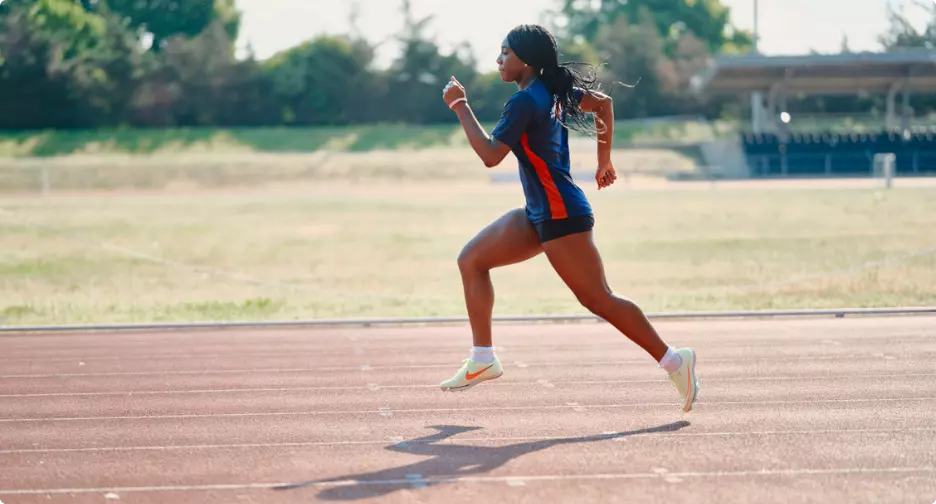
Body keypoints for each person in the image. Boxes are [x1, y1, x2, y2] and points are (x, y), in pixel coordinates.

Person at [437, 24, 698, 412]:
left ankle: (676, 361)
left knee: (598, 299)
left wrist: (460, 106)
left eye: (505, 53)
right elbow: (605, 103)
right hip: (538, 212)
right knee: (472, 260)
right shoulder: (551, 92)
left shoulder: (526, 101)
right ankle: (483, 358)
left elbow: (491, 155)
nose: (498, 60)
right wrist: (603, 159)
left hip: (561, 214)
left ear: (525, 60)